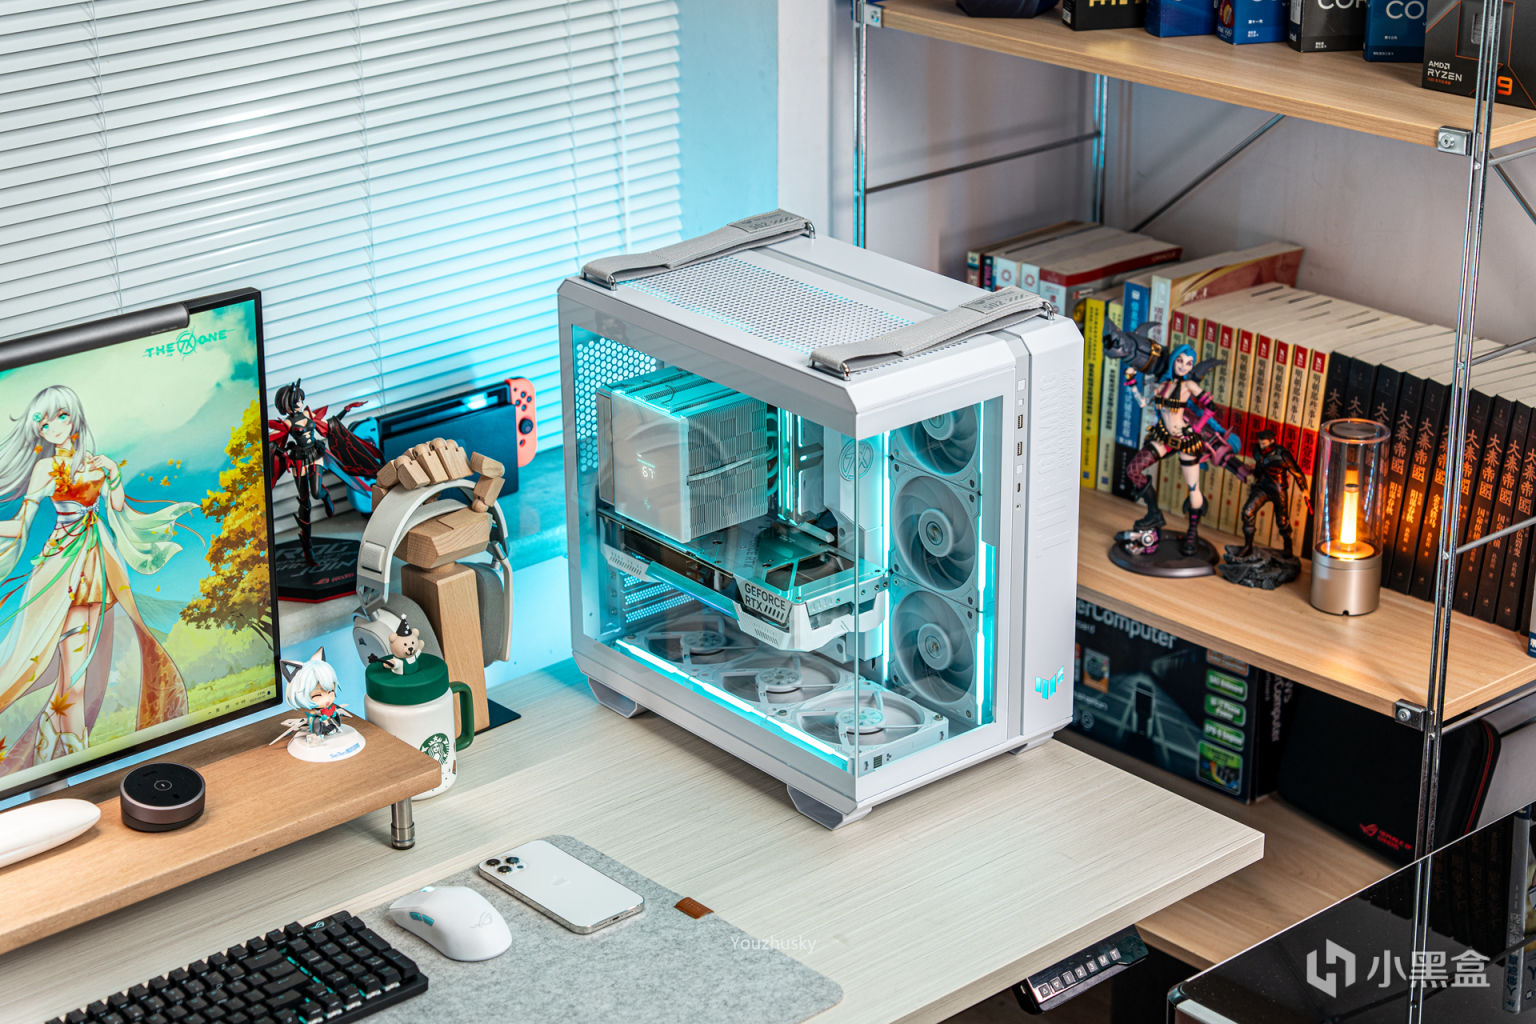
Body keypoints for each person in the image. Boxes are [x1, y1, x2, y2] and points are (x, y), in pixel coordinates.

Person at [0, 385, 196, 769]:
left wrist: (115, 475)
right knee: (72, 679)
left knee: (75, 676)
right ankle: (75, 757)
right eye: (43, 423)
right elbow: (21, 524)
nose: (53, 427)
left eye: (60, 417)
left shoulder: (95, 463)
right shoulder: (45, 469)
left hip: (96, 563)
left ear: (73, 419)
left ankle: (54, 755)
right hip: (62, 569)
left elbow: (117, 505)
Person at [1122, 345, 1211, 555]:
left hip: (1185, 439)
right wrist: (1132, 382)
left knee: (1193, 487)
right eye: (1180, 360)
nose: (1183, 366)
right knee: (1133, 470)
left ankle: (1192, 532)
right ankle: (1154, 512)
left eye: (1189, 363)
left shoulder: (1189, 385)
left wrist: (1196, 429)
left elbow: (1211, 408)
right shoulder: (1163, 385)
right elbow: (1143, 402)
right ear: (1173, 360)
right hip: (1163, 437)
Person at [1237, 428, 1307, 559]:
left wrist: (1304, 490)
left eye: (1264, 443)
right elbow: (1260, 466)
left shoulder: (1282, 455)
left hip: (1278, 489)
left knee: (1282, 521)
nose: (1261, 446)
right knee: (1247, 512)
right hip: (1262, 487)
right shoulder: (1257, 450)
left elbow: (1297, 473)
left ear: (1272, 441)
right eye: (1260, 443)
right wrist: (1253, 471)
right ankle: (1248, 546)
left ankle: (1288, 547)